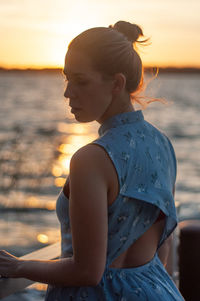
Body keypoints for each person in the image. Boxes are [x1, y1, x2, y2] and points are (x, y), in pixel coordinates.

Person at [0, 21, 184, 300]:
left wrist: (17, 265)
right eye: (66, 79)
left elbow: (87, 271)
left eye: (81, 80)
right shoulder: (162, 145)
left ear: (117, 83)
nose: (67, 92)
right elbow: (164, 246)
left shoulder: (92, 159)